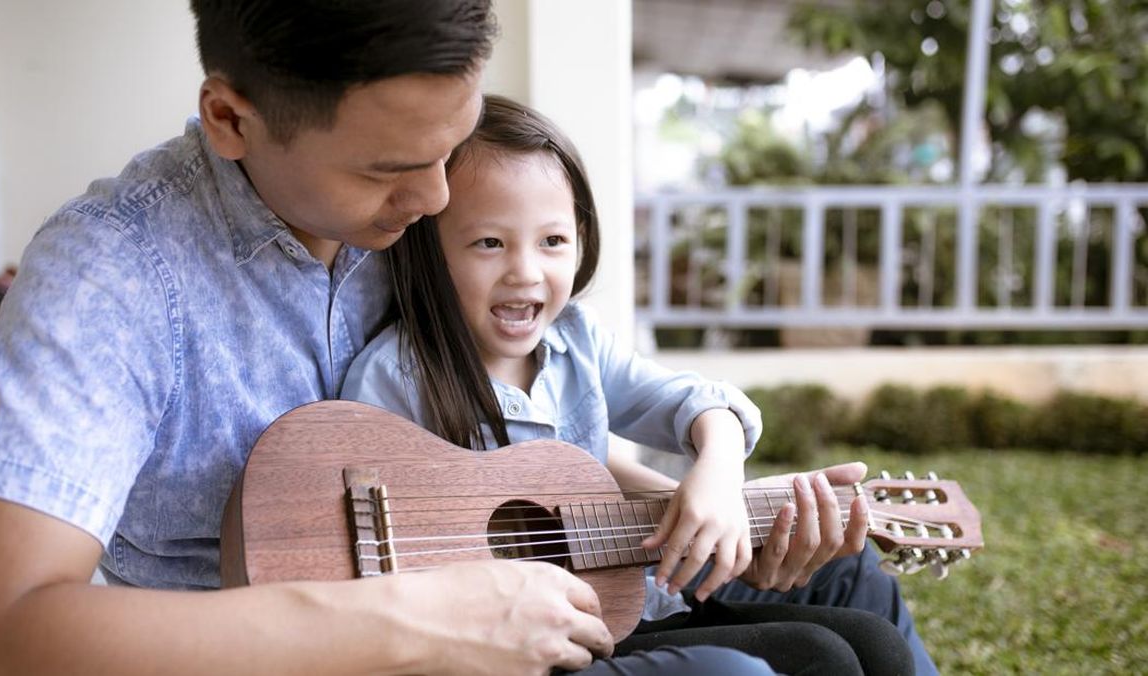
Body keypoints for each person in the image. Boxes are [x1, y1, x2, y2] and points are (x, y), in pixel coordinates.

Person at [0, 2, 781, 674]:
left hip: (527, 594)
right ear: (230, 118)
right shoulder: (111, 278)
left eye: (451, 146)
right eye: (386, 170)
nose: (434, 198)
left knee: (846, 638)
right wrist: (410, 621)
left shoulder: (436, 215)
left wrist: (703, 506)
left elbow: (523, 439)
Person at [341, 94, 914, 676]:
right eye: (490, 242)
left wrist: (717, 474)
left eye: (552, 241)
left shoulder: (578, 344)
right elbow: (355, 531)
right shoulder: (394, 379)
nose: (526, 270)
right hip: (517, 649)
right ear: (430, 252)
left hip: (632, 612)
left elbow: (697, 401)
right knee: (822, 659)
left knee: (876, 645)